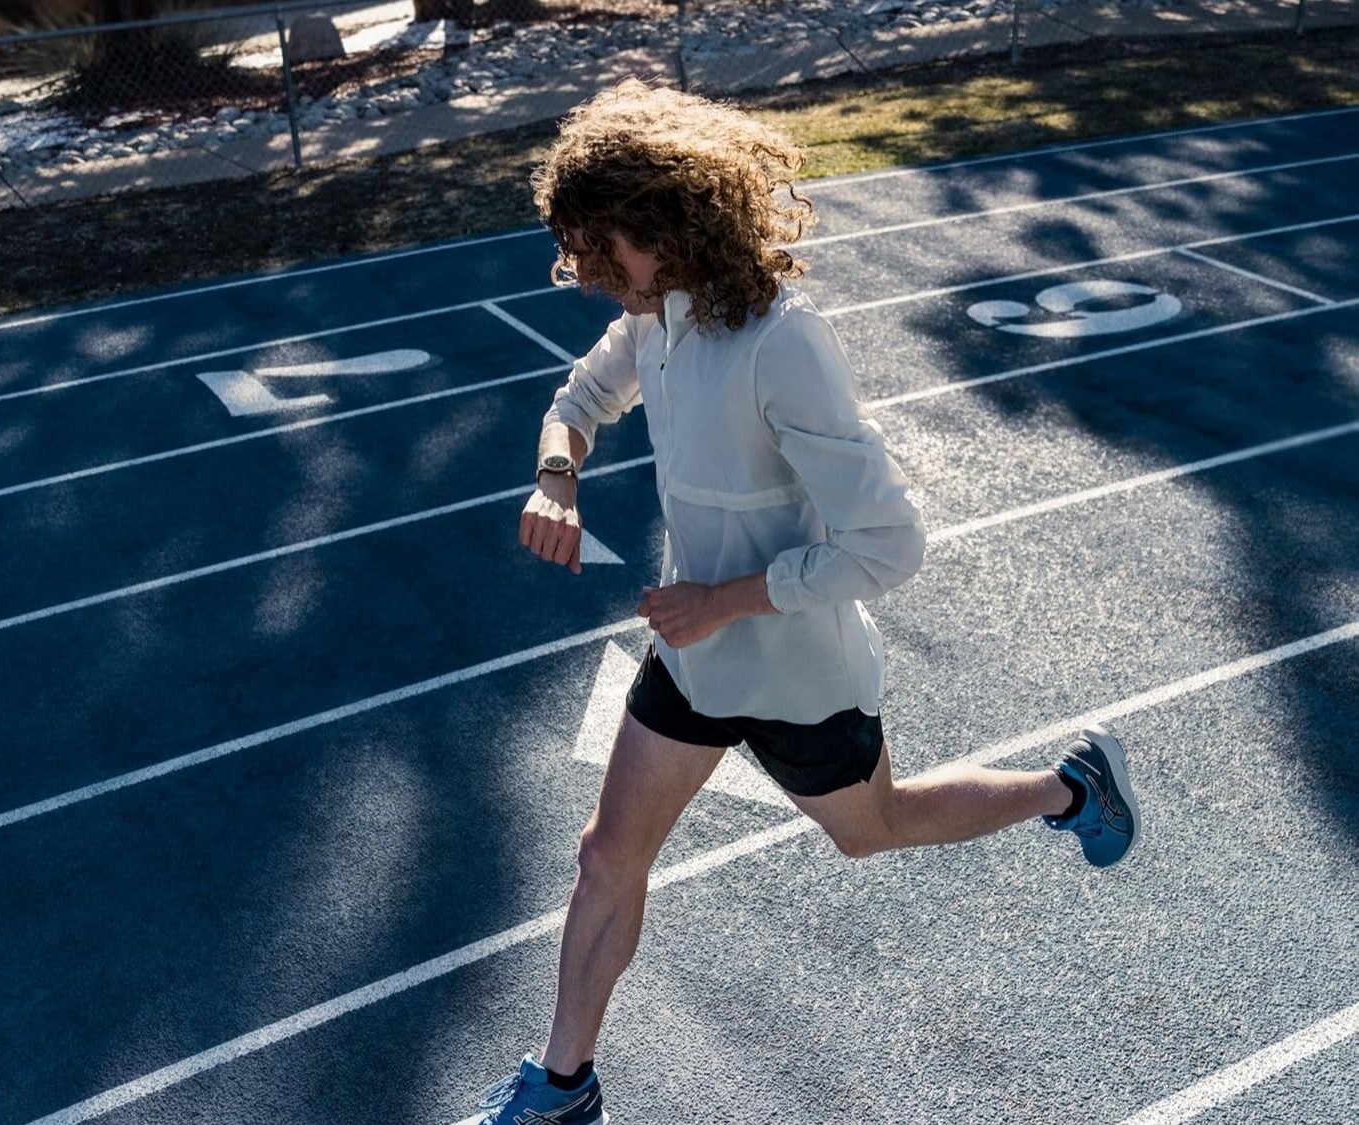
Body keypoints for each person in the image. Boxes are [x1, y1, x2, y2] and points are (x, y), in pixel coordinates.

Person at [474, 77, 1140, 1125]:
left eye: (606, 250)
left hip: (797, 673)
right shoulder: (660, 315)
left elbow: (888, 545)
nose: (594, 276)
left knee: (874, 828)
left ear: (669, 226)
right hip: (695, 657)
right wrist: (556, 476)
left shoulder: (783, 343)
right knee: (607, 855)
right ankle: (563, 1087)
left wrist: (728, 599)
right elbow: (581, 398)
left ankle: (1069, 788)